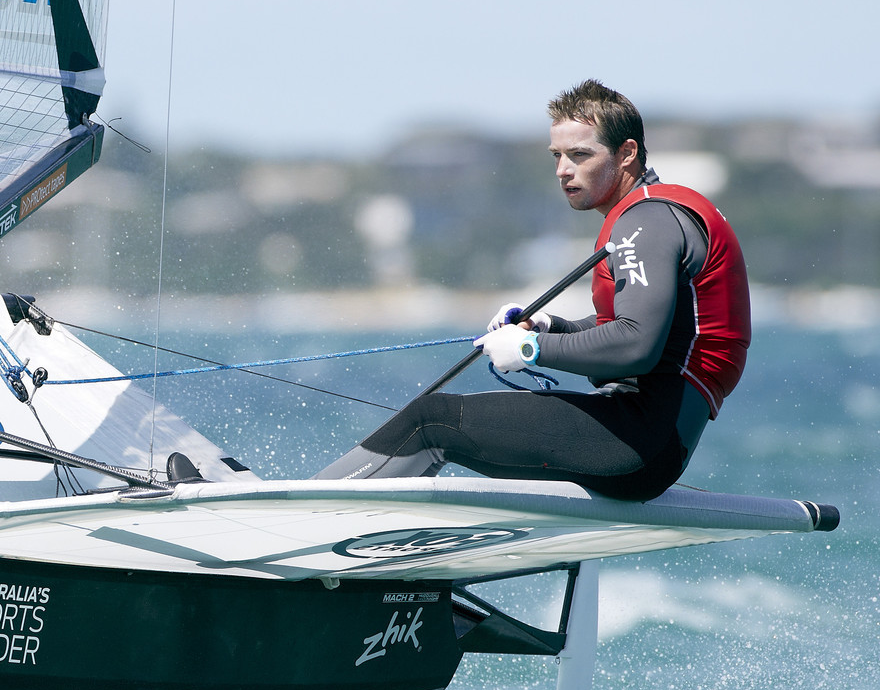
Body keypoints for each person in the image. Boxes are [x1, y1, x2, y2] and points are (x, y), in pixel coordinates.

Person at [317, 80, 750, 502]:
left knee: (432, 421)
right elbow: (651, 329)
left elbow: (636, 343)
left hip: (639, 440)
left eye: (580, 154)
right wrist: (549, 325)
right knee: (439, 421)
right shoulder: (656, 214)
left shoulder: (646, 222)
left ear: (627, 154)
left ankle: (309, 508)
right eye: (558, 155)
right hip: (647, 437)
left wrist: (531, 349)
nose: (563, 169)